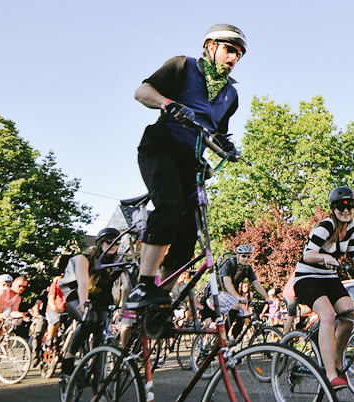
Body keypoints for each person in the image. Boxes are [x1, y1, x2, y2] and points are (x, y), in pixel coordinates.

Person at [126, 24, 247, 310]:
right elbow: (142, 92)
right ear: (211, 46)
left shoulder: (230, 95)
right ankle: (144, 286)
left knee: (189, 232)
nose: (234, 57)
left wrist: (228, 149)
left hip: (191, 161)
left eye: (239, 54)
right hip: (161, 147)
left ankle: (160, 298)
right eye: (229, 49)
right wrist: (168, 103)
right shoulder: (183, 65)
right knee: (169, 206)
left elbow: (215, 135)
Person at [293, 186, 354, 390]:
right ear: (333, 208)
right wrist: (324, 257)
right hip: (307, 278)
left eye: (350, 207)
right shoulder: (326, 226)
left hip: (329, 278)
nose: (346, 210)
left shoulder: (352, 225)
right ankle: (330, 375)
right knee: (328, 315)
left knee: (349, 315)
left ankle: (337, 363)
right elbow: (307, 255)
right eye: (341, 207)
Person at [58, 227, 122, 378]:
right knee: (90, 318)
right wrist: (84, 302)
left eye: (117, 242)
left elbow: (127, 284)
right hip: (77, 297)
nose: (113, 245)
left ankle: (98, 382)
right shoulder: (85, 258)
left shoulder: (117, 262)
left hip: (101, 301)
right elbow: (83, 283)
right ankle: (69, 356)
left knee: (102, 335)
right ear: (100, 242)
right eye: (109, 241)